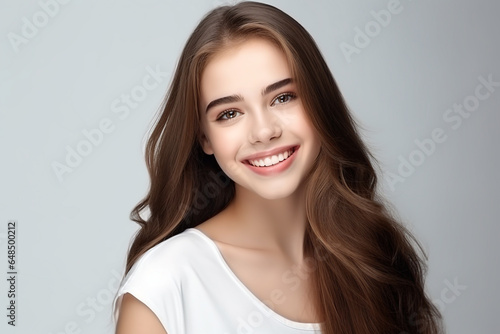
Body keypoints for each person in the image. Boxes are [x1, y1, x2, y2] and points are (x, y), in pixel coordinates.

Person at [112, 2, 443, 333]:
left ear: (319, 102)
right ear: (205, 139)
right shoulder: (164, 285)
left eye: (283, 97)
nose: (264, 131)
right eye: (229, 113)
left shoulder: (373, 258)